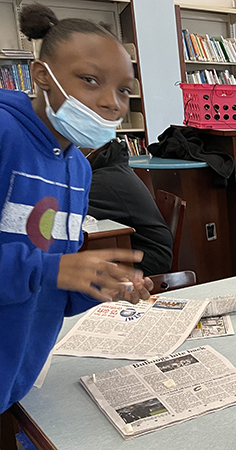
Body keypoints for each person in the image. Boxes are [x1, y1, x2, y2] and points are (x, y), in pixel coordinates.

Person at [0, 5, 153, 413]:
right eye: (90, 81)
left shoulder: (79, 168)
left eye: (124, 90)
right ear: (41, 76)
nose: (112, 104)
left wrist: (96, 287)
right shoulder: (4, 134)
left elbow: (50, 284)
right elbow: (45, 269)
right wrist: (51, 269)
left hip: (18, 378)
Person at [85, 139, 173, 276]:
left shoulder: (105, 180)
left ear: (91, 149)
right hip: (144, 249)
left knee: (82, 270)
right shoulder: (112, 169)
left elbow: (73, 211)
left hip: (149, 257)